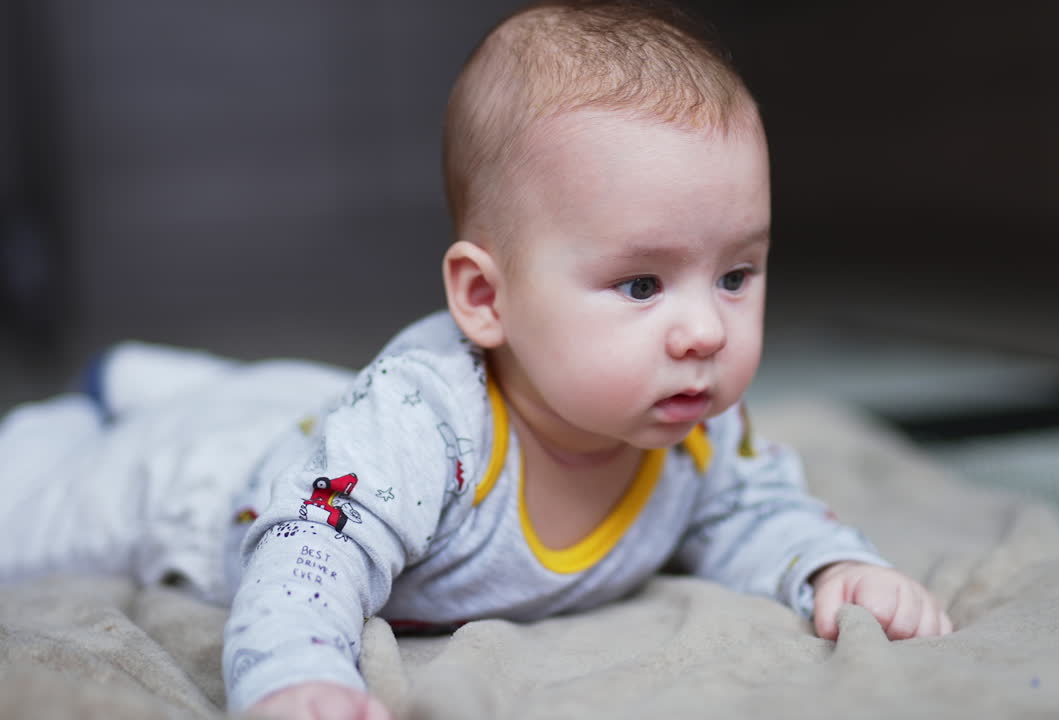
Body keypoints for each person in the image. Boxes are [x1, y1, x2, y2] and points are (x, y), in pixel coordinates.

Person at [0, 2, 952, 719]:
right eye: (640, 286)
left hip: (328, 420)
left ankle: (168, 379)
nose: (705, 330)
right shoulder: (427, 427)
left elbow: (752, 510)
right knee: (42, 507)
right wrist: (295, 675)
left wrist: (832, 568)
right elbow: (311, 552)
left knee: (311, 409)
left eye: (736, 274)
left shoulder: (695, 417)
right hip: (201, 489)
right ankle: (108, 411)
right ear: (486, 300)